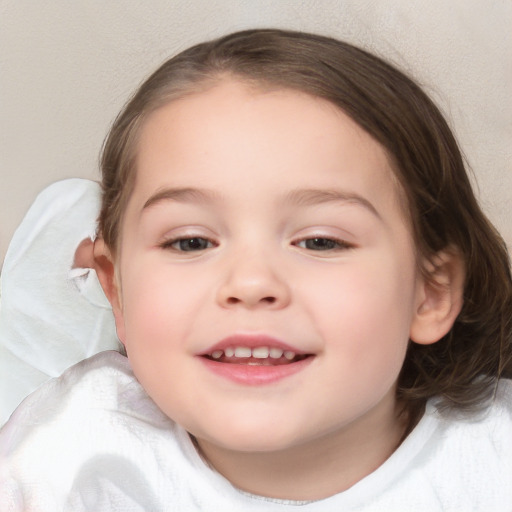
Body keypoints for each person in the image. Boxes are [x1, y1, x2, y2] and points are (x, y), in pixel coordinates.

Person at [1, 28, 511, 511]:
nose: (250, 283)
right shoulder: (67, 450)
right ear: (117, 293)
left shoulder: (493, 460)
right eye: (191, 242)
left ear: (431, 293)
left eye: (319, 241)